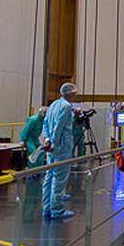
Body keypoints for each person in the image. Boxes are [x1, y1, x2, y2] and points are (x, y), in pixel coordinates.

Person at [41, 83, 79, 220]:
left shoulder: (53, 105)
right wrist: (55, 143)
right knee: (59, 178)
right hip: (61, 148)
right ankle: (56, 209)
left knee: (49, 177)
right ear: (71, 94)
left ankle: (46, 207)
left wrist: (47, 140)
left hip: (51, 147)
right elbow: (59, 127)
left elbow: (45, 123)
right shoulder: (66, 106)